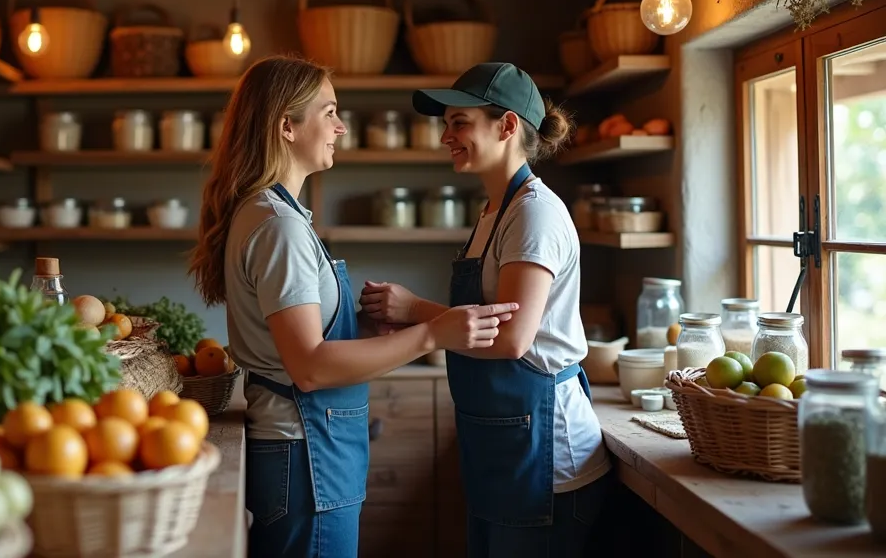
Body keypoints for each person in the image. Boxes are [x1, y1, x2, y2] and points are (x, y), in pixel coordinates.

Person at [187, 55, 521, 558]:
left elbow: (303, 343)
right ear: (286, 127)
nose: (341, 127)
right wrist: (434, 334)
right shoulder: (278, 225)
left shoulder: (272, 212)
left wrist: (356, 324)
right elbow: (310, 367)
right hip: (306, 454)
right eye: (329, 112)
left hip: (307, 451)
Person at [359, 62, 612, 557]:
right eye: (446, 124)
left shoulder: (534, 212)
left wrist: (414, 309)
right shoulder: (496, 209)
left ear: (508, 125)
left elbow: (513, 337)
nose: (444, 136)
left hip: (547, 454)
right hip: (504, 446)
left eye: (459, 123)